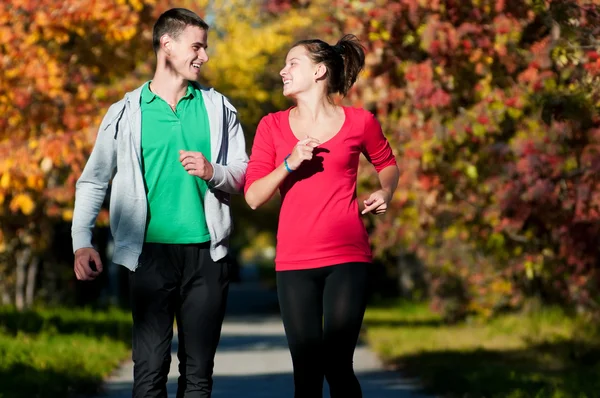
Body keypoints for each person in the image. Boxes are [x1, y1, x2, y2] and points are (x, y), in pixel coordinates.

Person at [71, 8, 248, 398]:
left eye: (205, 47)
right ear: (166, 45)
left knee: (199, 375)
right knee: (148, 373)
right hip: (148, 257)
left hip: (206, 255)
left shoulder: (218, 108)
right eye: (196, 46)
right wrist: (81, 241)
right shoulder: (125, 113)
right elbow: (94, 179)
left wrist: (212, 171)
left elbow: (244, 175)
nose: (204, 56)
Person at [244, 34, 399, 397]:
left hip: (347, 255)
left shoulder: (361, 122)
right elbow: (253, 197)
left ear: (319, 71)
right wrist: (289, 162)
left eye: (291, 64)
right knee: (307, 372)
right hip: (294, 261)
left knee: (337, 364)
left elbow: (387, 164)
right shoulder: (272, 126)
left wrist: (385, 191)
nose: (283, 71)